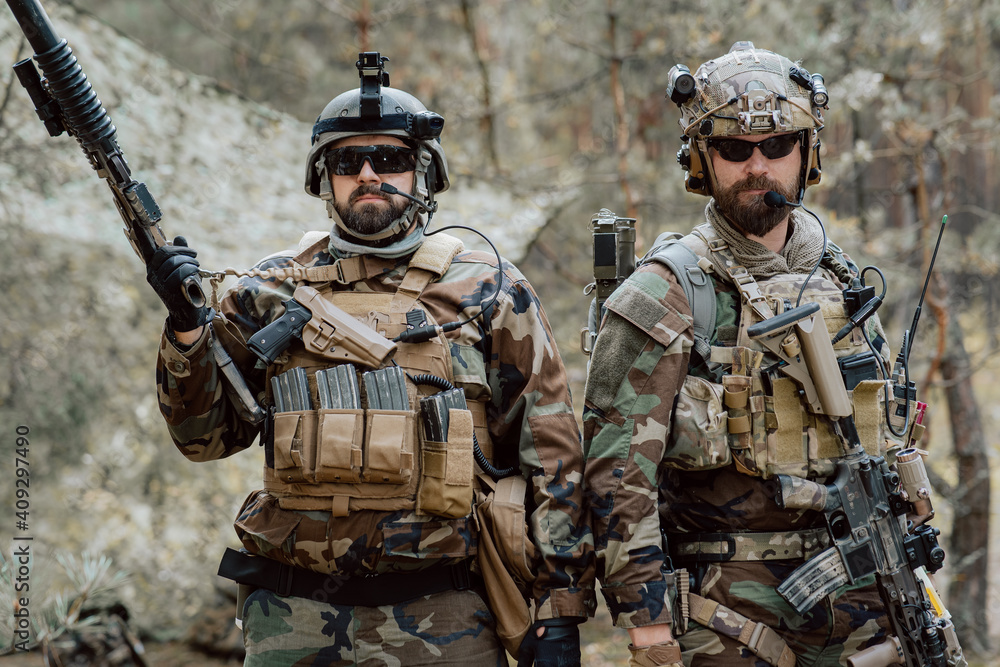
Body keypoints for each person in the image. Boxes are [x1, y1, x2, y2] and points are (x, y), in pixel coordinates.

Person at [147, 52, 595, 666]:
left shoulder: (487, 287)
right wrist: (185, 331)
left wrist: (560, 609)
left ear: (422, 173)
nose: (367, 174)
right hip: (294, 615)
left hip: (444, 613)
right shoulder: (268, 289)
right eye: (345, 161)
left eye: (389, 159)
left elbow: (551, 454)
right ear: (322, 179)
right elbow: (203, 439)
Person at [583, 42, 962, 667]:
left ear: (806, 155)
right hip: (728, 617)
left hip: (865, 604)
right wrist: (648, 627)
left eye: (778, 145)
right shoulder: (667, 292)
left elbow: (889, 436)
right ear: (703, 160)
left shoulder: (842, 279)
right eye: (734, 149)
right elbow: (618, 481)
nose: (758, 166)